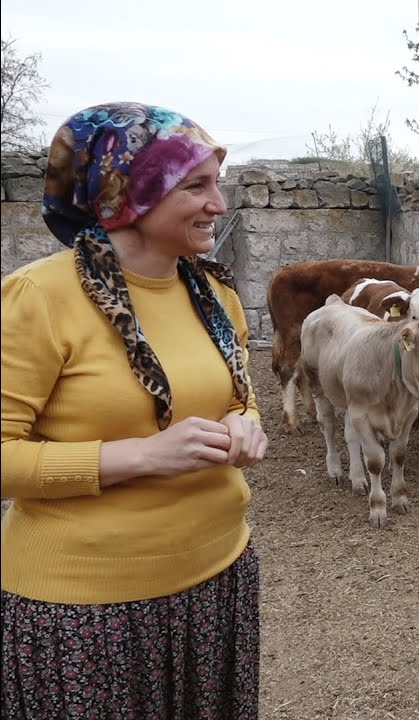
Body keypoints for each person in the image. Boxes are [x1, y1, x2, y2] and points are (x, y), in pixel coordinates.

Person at [1, 102, 269, 718]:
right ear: (132, 194)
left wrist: (244, 423)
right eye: (196, 186)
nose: (219, 205)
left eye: (217, 185)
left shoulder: (213, 290)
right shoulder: (40, 297)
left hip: (218, 577)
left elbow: (240, 392)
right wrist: (143, 456)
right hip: (85, 609)